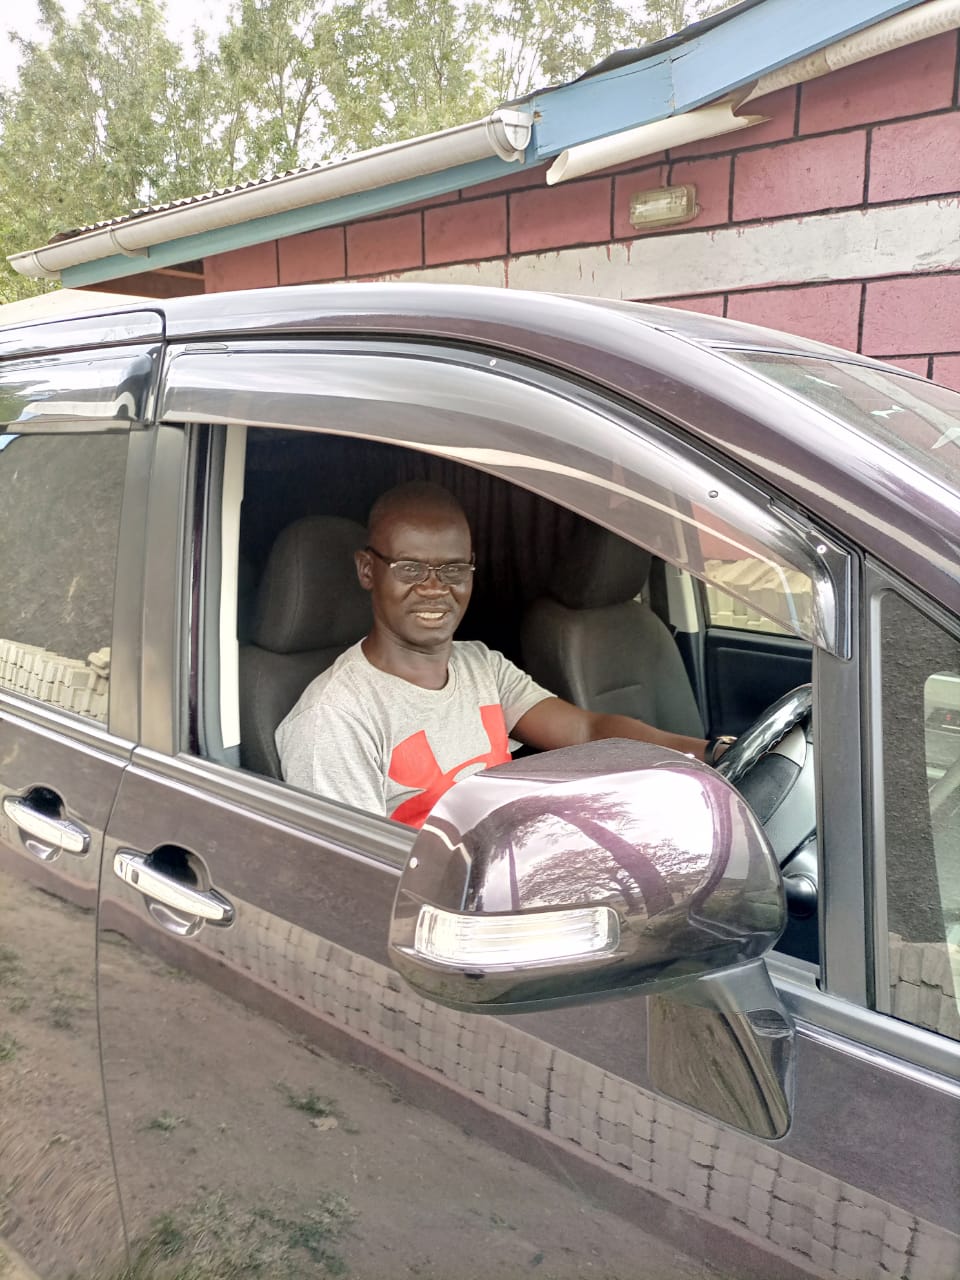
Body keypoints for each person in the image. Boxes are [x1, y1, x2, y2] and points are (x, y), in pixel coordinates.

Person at [276, 482, 731, 827]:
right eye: (411, 568)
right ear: (367, 570)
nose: (435, 588)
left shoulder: (480, 666)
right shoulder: (333, 718)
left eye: (454, 568)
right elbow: (349, 879)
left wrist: (706, 754)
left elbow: (586, 728)